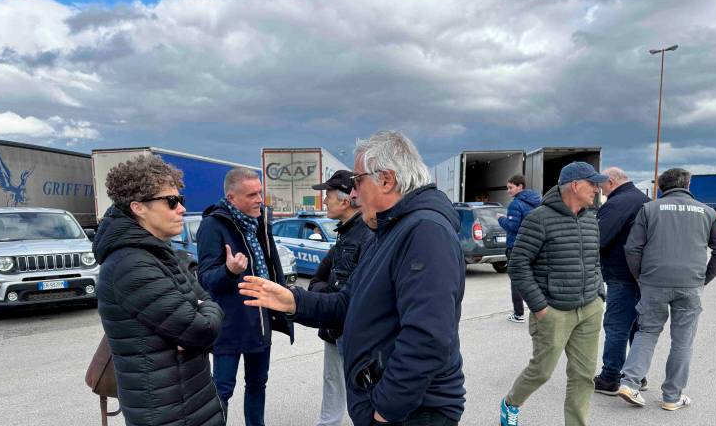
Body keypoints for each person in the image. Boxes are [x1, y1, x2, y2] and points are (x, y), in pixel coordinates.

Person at [238, 131, 466, 426]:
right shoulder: (387, 231)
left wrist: (385, 411)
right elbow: (349, 302)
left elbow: (427, 337)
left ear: (386, 179)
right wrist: (294, 301)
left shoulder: (425, 231)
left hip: (415, 412)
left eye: (358, 181)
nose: (353, 194)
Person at [93, 155, 225, 426]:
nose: (181, 210)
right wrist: (200, 314)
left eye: (181, 201)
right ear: (138, 208)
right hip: (167, 414)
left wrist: (202, 310)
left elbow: (207, 303)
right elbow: (202, 330)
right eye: (171, 201)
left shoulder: (160, 253)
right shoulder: (130, 265)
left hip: (190, 402)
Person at [499, 161, 607, 426]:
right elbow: (518, 264)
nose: (597, 188)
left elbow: (595, 260)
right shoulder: (539, 218)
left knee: (583, 376)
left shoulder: (591, 219)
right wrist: (539, 306)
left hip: (589, 308)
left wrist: (599, 293)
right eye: (592, 183)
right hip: (554, 310)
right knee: (542, 371)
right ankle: (511, 403)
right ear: (575, 184)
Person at [618, 168, 716, 411]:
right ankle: (671, 397)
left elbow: (632, 248)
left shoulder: (649, 209)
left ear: (660, 187)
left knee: (646, 332)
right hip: (690, 284)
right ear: (688, 185)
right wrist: (703, 279)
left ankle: (630, 383)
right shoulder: (707, 212)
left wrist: (641, 278)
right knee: (683, 341)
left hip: (653, 282)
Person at [196, 167, 294, 426]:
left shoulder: (260, 222)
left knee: (258, 385)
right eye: (251, 195)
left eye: (260, 193)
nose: (259, 199)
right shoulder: (212, 226)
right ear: (231, 198)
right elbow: (205, 279)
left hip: (260, 322)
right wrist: (229, 271)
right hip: (229, 326)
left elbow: (273, 267)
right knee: (222, 389)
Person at [308, 169, 374, 426]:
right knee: (332, 381)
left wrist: (325, 294)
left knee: (361, 386)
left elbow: (356, 292)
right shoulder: (345, 234)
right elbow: (317, 279)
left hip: (352, 328)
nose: (324, 201)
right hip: (335, 324)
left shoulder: (366, 236)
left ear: (346, 200)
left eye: (328, 196)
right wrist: (326, 294)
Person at [593, 167, 650, 395]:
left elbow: (598, 239)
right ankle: (637, 375)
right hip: (644, 276)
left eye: (601, 185)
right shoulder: (644, 199)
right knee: (637, 327)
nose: (599, 189)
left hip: (621, 275)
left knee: (616, 326)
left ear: (611, 181)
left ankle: (610, 378)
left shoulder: (617, 204)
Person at [496, 174, 541, 323]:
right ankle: (539, 310)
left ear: (520, 187)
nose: (508, 191)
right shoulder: (536, 201)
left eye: (510, 187)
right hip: (533, 246)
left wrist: (501, 219)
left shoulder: (516, 204)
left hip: (516, 246)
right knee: (534, 279)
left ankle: (518, 313)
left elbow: (513, 226)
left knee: (517, 280)